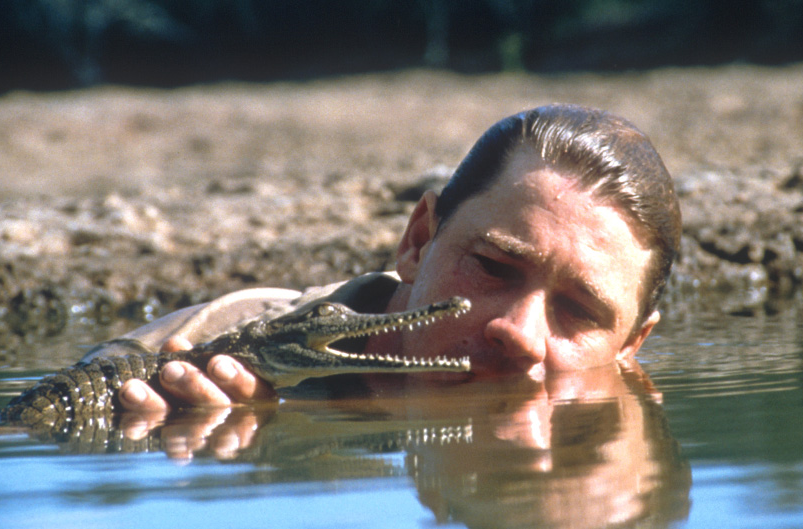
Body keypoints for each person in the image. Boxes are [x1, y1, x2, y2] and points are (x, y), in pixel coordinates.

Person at [93, 103, 681, 413]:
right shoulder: (213, 346)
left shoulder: (624, 431)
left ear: (632, 346)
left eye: (578, 311)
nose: (520, 335)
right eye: (494, 267)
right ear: (418, 240)